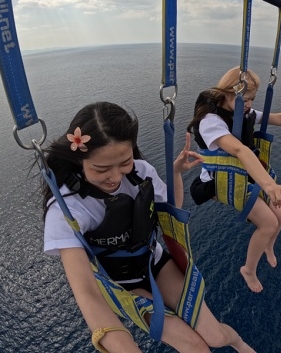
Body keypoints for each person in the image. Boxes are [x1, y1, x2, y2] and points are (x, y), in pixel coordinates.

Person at [42, 102, 257, 353]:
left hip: (155, 262)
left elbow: (171, 211)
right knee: (195, 346)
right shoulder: (67, 209)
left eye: (124, 162)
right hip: (122, 286)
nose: (116, 177)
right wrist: (121, 344)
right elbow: (86, 291)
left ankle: (238, 343)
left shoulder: (140, 173)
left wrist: (175, 172)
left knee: (215, 336)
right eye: (101, 169)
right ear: (79, 159)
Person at [187, 67, 281, 293]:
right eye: (245, 99)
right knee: (268, 223)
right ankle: (248, 269)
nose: (249, 104)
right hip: (220, 182)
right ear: (227, 93)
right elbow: (239, 150)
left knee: (280, 216)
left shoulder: (241, 111)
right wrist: (269, 185)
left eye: (252, 99)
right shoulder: (211, 122)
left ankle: (268, 245)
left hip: (242, 175)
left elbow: (278, 117)